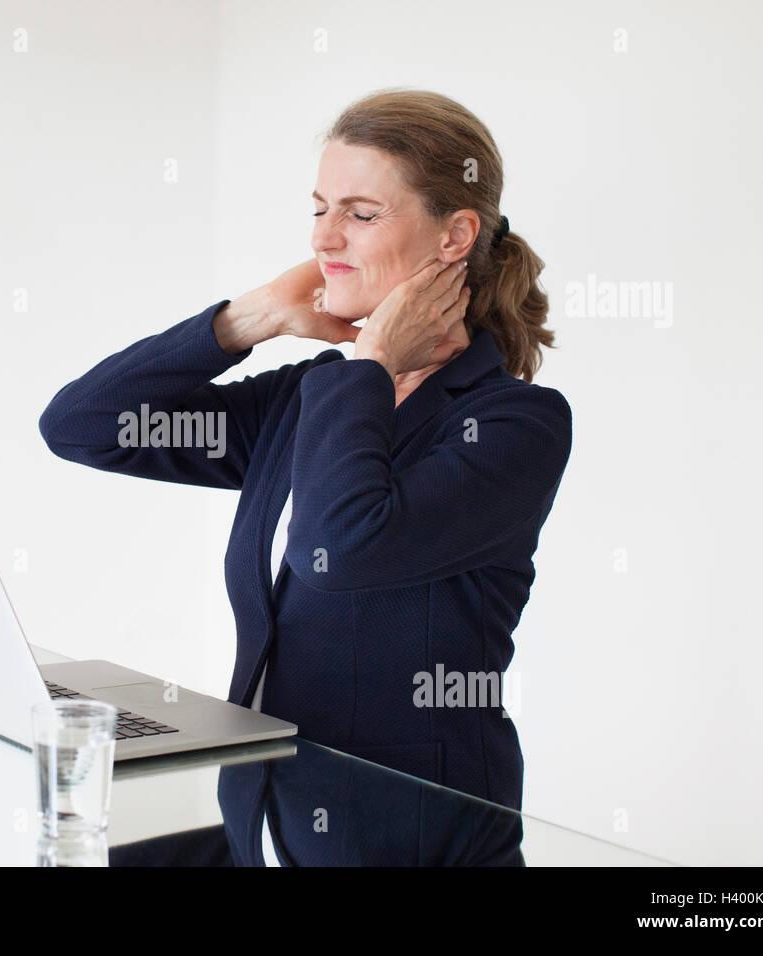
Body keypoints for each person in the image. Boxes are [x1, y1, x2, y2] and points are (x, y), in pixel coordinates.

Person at [38, 88, 571, 811]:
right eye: (320, 209)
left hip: (404, 833)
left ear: (454, 238)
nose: (323, 239)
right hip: (266, 816)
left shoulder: (515, 425)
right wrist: (248, 318)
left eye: (360, 213)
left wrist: (373, 365)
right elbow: (83, 425)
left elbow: (344, 547)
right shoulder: (312, 395)